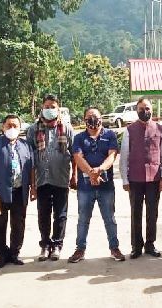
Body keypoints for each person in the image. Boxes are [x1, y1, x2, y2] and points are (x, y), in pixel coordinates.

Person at [67, 107, 126, 263]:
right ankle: (80, 249)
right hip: (85, 187)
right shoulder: (79, 138)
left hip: (106, 186)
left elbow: (112, 156)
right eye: (89, 116)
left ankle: (114, 248)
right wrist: (91, 173)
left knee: (110, 218)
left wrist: (99, 170)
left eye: (95, 116)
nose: (92, 119)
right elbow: (78, 158)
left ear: (101, 118)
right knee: (83, 219)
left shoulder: (110, 135)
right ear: (84, 119)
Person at [120, 98, 162, 259]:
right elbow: (124, 157)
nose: (145, 111)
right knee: (136, 213)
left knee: (152, 213)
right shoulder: (129, 130)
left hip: (154, 179)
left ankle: (150, 244)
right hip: (135, 179)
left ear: (152, 110)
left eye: (147, 108)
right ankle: (136, 246)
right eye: (141, 109)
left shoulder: (160, 128)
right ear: (136, 110)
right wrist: (124, 179)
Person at [27, 94, 76, 262]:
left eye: (52, 106)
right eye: (46, 106)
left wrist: (74, 175)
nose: (49, 109)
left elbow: (74, 154)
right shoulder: (33, 129)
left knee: (60, 214)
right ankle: (45, 244)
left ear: (58, 108)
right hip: (42, 180)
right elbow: (29, 158)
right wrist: (32, 184)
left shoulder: (67, 128)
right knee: (43, 214)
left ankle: (57, 244)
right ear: (42, 108)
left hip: (61, 178)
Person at [0, 115, 35, 268]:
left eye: (15, 126)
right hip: (0, 193)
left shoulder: (26, 145)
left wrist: (33, 187)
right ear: (3, 127)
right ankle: (1, 255)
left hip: (20, 191)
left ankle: (14, 253)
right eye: (9, 125)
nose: (12, 128)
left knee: (18, 224)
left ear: (20, 128)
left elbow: (32, 168)